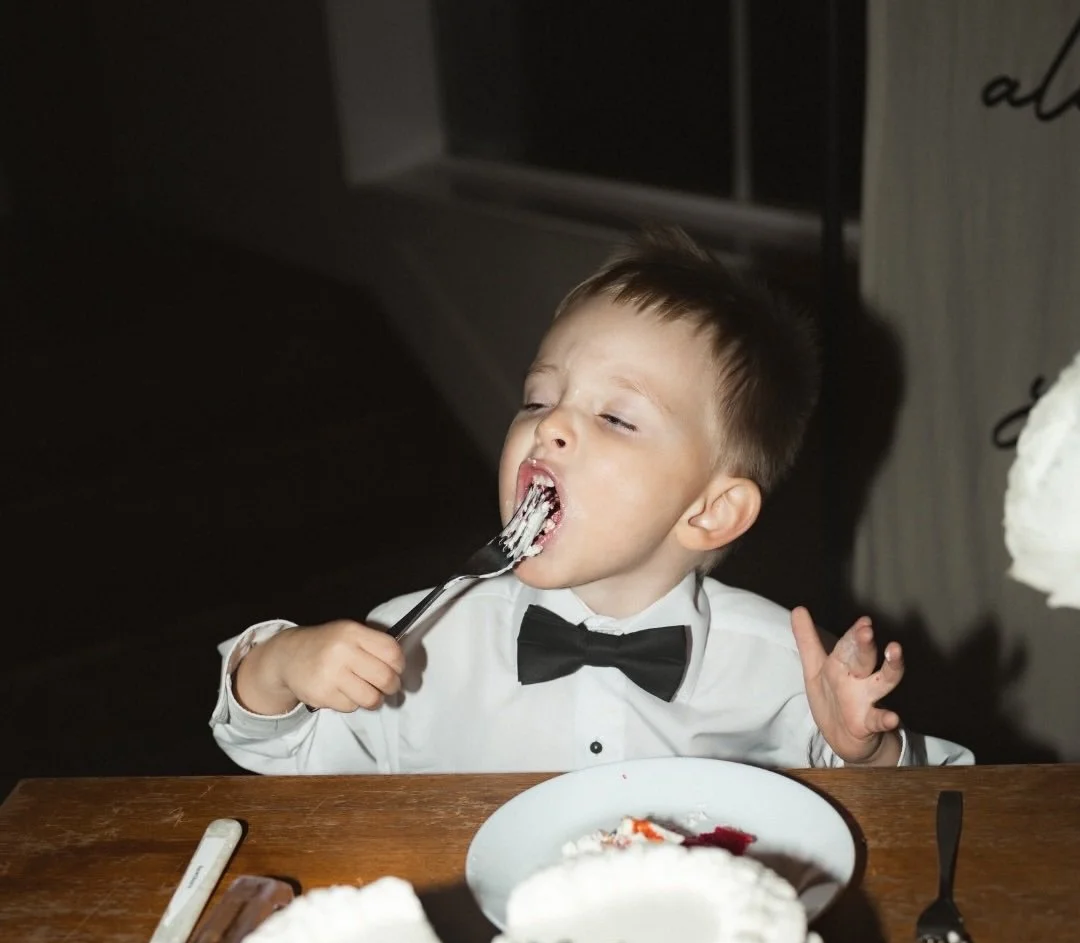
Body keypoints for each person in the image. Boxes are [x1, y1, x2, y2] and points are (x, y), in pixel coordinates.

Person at [210, 226, 971, 774]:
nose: (553, 427)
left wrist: (870, 754)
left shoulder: (781, 672)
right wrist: (278, 666)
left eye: (615, 417)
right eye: (539, 399)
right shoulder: (415, 642)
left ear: (710, 510)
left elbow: (949, 798)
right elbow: (284, 757)